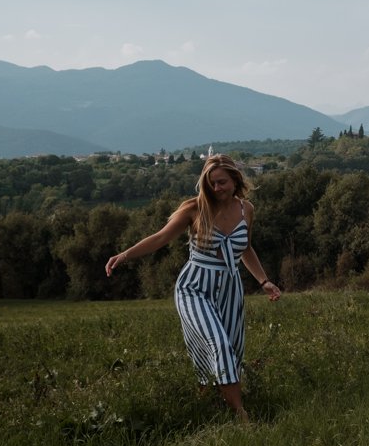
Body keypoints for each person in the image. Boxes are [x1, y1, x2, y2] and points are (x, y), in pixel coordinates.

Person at [105, 154, 281, 422]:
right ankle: (241, 416)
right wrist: (125, 255)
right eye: (211, 184)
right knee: (218, 343)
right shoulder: (194, 209)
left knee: (232, 350)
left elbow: (244, 248)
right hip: (195, 287)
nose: (216, 188)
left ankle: (208, 401)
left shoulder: (247, 210)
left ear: (235, 180)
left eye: (221, 182)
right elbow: (161, 237)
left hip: (231, 290)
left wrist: (264, 281)